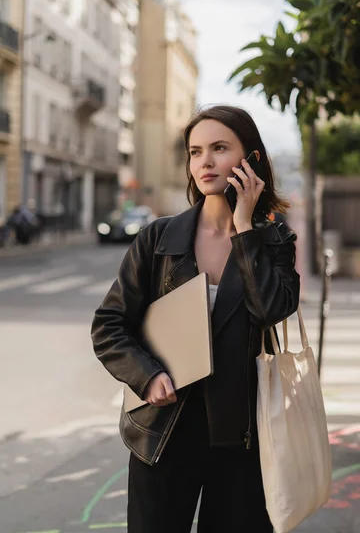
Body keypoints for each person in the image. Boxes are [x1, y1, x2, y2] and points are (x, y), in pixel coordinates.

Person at [91, 105, 300, 533]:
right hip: (164, 434)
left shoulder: (274, 240)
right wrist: (146, 375)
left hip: (244, 441)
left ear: (251, 159)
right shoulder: (158, 239)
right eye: (195, 151)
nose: (204, 161)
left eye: (219, 148)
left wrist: (244, 229)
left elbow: (271, 309)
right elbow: (109, 325)